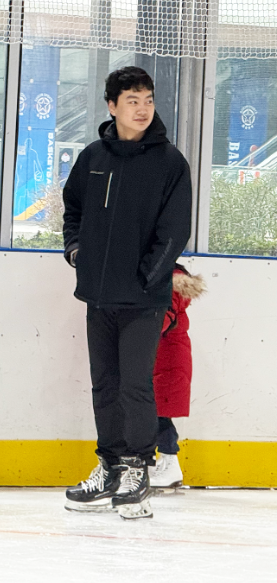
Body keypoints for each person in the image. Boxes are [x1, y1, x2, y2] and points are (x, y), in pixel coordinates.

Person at [62, 67, 192, 520]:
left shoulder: (170, 163)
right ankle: (111, 466)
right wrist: (76, 251)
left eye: (148, 100)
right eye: (132, 100)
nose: (142, 109)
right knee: (105, 385)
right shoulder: (93, 157)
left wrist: (147, 278)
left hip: (143, 299)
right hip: (97, 295)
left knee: (136, 386)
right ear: (112, 106)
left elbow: (175, 231)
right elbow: (73, 208)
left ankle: (137, 468)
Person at [151, 263, 205, 490]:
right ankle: (161, 462)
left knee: (160, 414)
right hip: (163, 355)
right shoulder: (168, 281)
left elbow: (162, 318)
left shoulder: (171, 284)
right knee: (153, 413)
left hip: (168, 358)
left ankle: (170, 462)